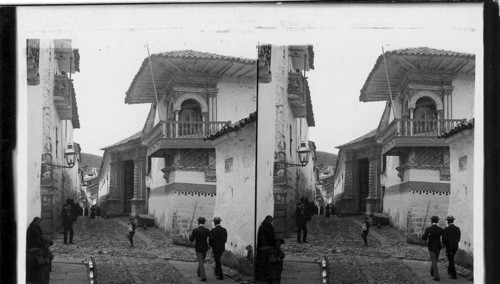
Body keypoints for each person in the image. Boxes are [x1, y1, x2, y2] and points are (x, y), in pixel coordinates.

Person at [423, 216, 444, 281]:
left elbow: (424, 238)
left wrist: (422, 234)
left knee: (434, 261)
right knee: (435, 260)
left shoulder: (428, 229)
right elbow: (444, 237)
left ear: (431, 221)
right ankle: (432, 271)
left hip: (431, 247)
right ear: (437, 221)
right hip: (438, 247)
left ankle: (436, 276)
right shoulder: (440, 229)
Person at [189, 217, 210, 282]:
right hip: (205, 248)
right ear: (204, 222)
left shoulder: (195, 230)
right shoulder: (207, 230)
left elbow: (191, 240)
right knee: (202, 261)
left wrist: (190, 235)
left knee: (201, 262)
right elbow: (211, 239)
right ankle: (198, 272)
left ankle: (203, 277)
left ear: (198, 222)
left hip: (198, 248)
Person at [256, 215, 276, 281]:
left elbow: (273, 235)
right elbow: (261, 238)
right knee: (263, 263)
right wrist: (266, 246)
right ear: (266, 220)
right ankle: (262, 277)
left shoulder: (270, 227)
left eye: (271, 221)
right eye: (269, 220)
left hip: (270, 246)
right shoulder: (262, 227)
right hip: (264, 247)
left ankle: (268, 276)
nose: (270, 222)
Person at [442, 215, 461, 280]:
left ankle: (454, 275)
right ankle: (449, 271)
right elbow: (458, 239)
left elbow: (444, 239)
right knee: (451, 258)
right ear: (453, 221)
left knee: (451, 260)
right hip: (455, 247)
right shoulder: (457, 228)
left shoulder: (446, 229)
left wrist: (445, 245)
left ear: (447, 221)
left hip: (449, 247)